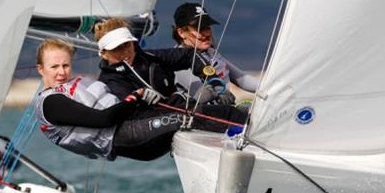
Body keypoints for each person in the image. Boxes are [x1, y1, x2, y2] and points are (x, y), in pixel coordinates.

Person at [34, 39, 242, 161]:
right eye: (54, 67)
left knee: (201, 109)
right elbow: (103, 119)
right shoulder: (50, 103)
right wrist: (135, 98)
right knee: (186, 119)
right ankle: (249, 129)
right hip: (125, 138)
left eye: (66, 65)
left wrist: (142, 97)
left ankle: (248, 124)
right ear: (41, 69)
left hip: (137, 123)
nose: (62, 72)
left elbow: (119, 104)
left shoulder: (76, 84)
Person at [171, 3, 259, 103]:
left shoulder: (210, 52)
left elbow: (242, 79)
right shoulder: (179, 61)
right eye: (199, 29)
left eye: (207, 27)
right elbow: (201, 95)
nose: (207, 33)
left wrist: (272, 87)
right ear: (181, 32)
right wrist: (220, 95)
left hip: (225, 111)